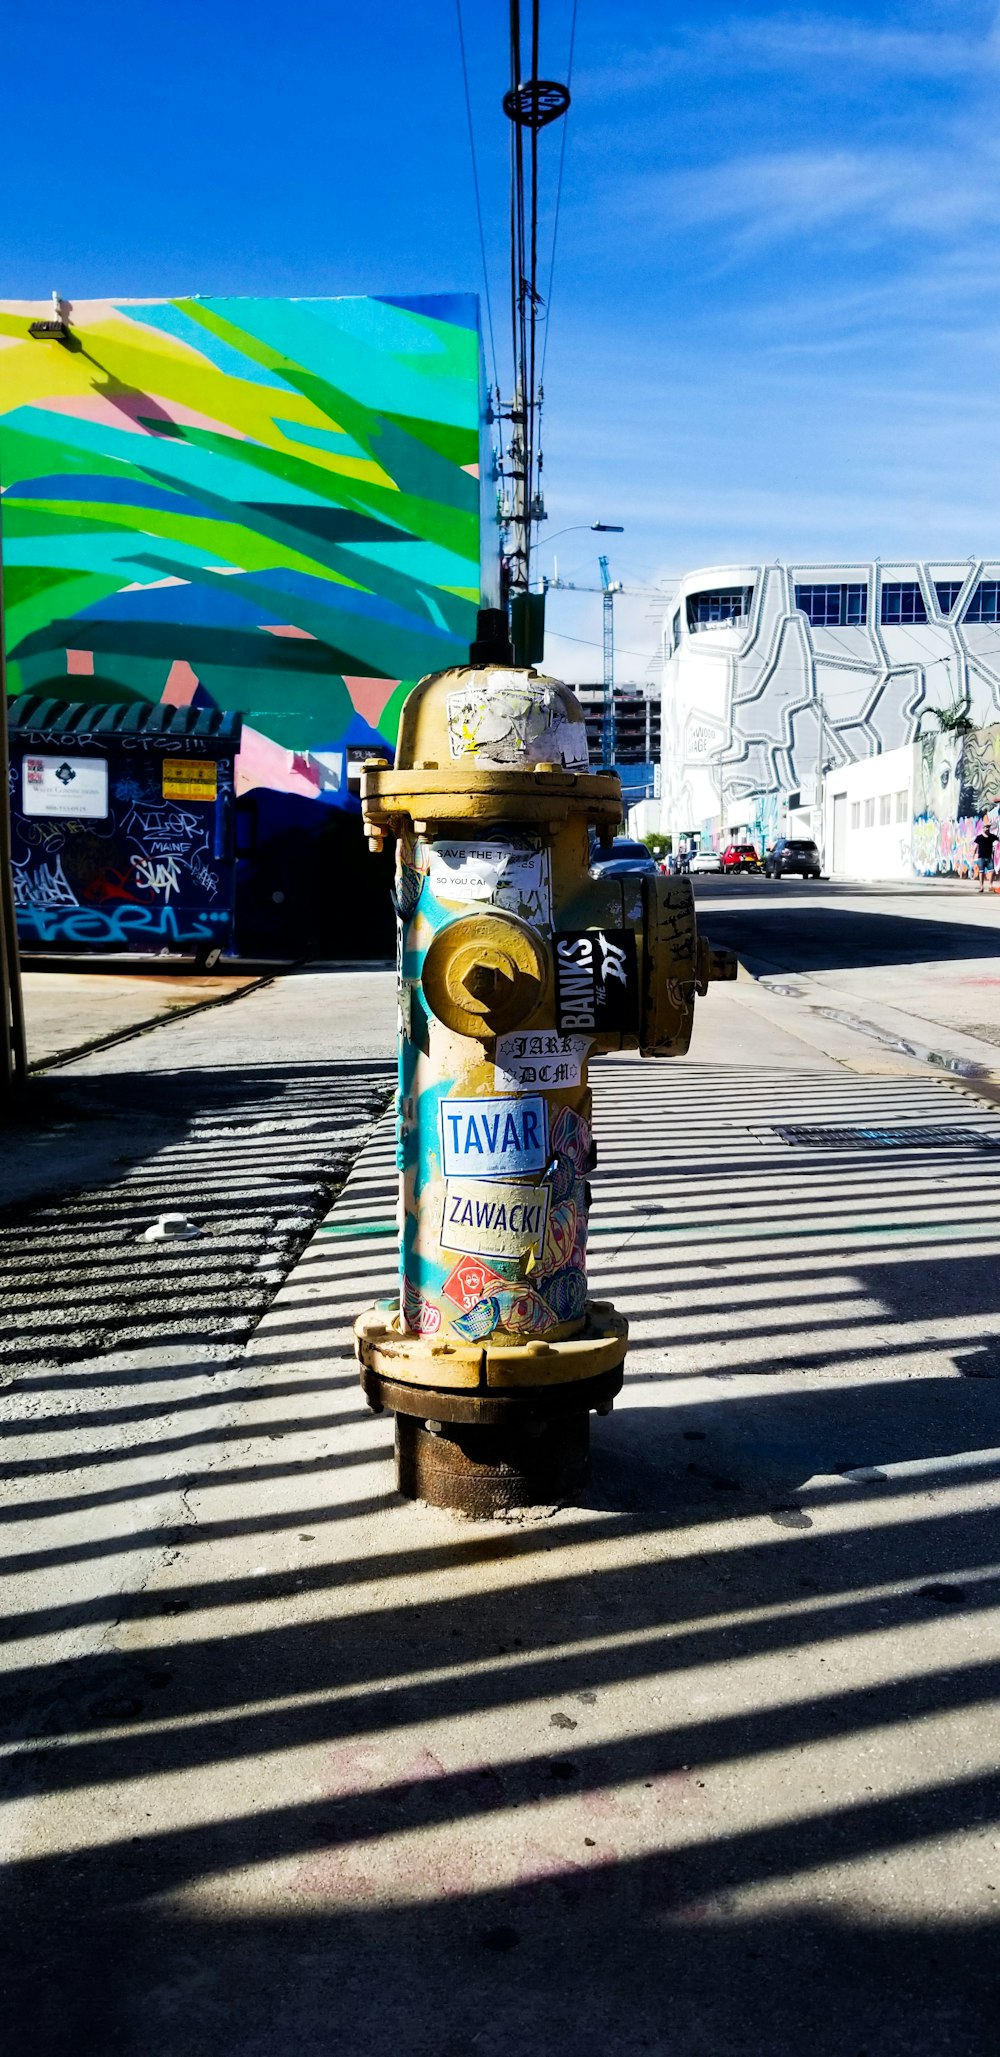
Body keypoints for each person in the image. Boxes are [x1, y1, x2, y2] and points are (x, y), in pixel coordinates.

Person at [973, 816, 999, 893]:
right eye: (985, 828)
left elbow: (998, 839)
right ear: (983, 829)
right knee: (981, 872)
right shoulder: (979, 837)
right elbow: (975, 847)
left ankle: (990, 885)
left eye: (988, 828)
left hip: (989, 858)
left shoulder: (991, 836)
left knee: (992, 871)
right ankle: (981, 887)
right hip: (981, 858)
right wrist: (973, 856)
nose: (987, 829)